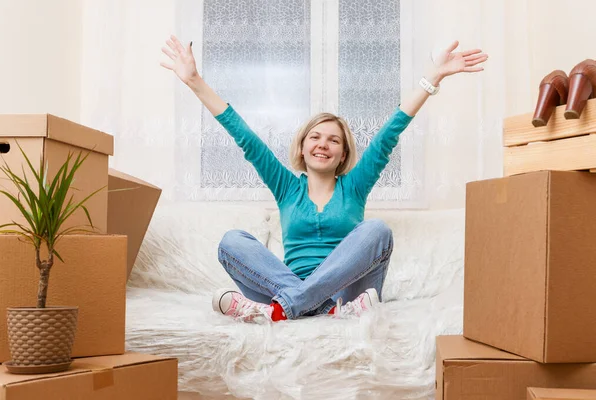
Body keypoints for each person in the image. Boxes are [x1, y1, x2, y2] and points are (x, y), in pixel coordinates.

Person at [161, 35, 488, 323]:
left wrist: (433, 76)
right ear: (302, 148)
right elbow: (244, 135)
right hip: (307, 292)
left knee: (377, 231)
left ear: (343, 154)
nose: (323, 144)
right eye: (315, 137)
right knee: (231, 242)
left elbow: (391, 131)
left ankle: (283, 310)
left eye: (333, 140)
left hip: (349, 294)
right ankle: (312, 307)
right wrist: (194, 82)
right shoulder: (287, 186)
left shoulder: (355, 186)